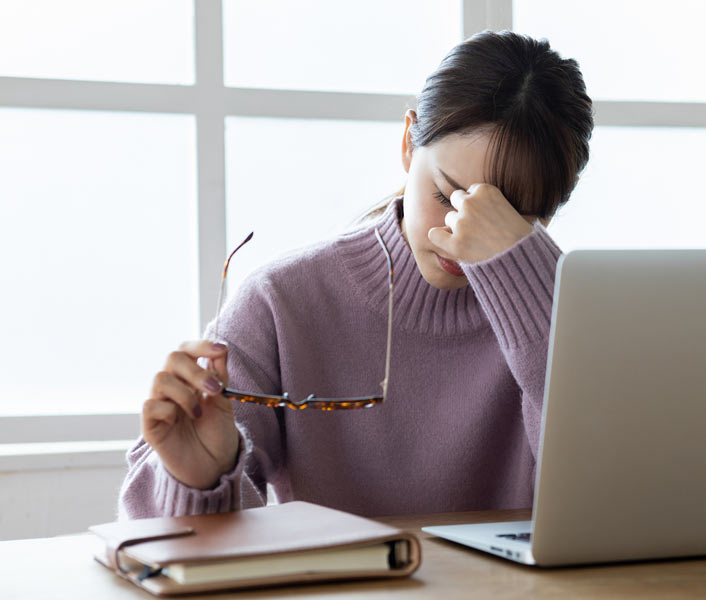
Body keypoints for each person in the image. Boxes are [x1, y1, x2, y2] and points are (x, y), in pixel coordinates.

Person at [119, 30, 593, 520]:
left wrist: (532, 291)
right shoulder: (283, 302)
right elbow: (177, 551)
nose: (461, 233)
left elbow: (602, 509)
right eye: (448, 196)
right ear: (410, 142)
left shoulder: (575, 318)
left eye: (510, 219)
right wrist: (197, 480)